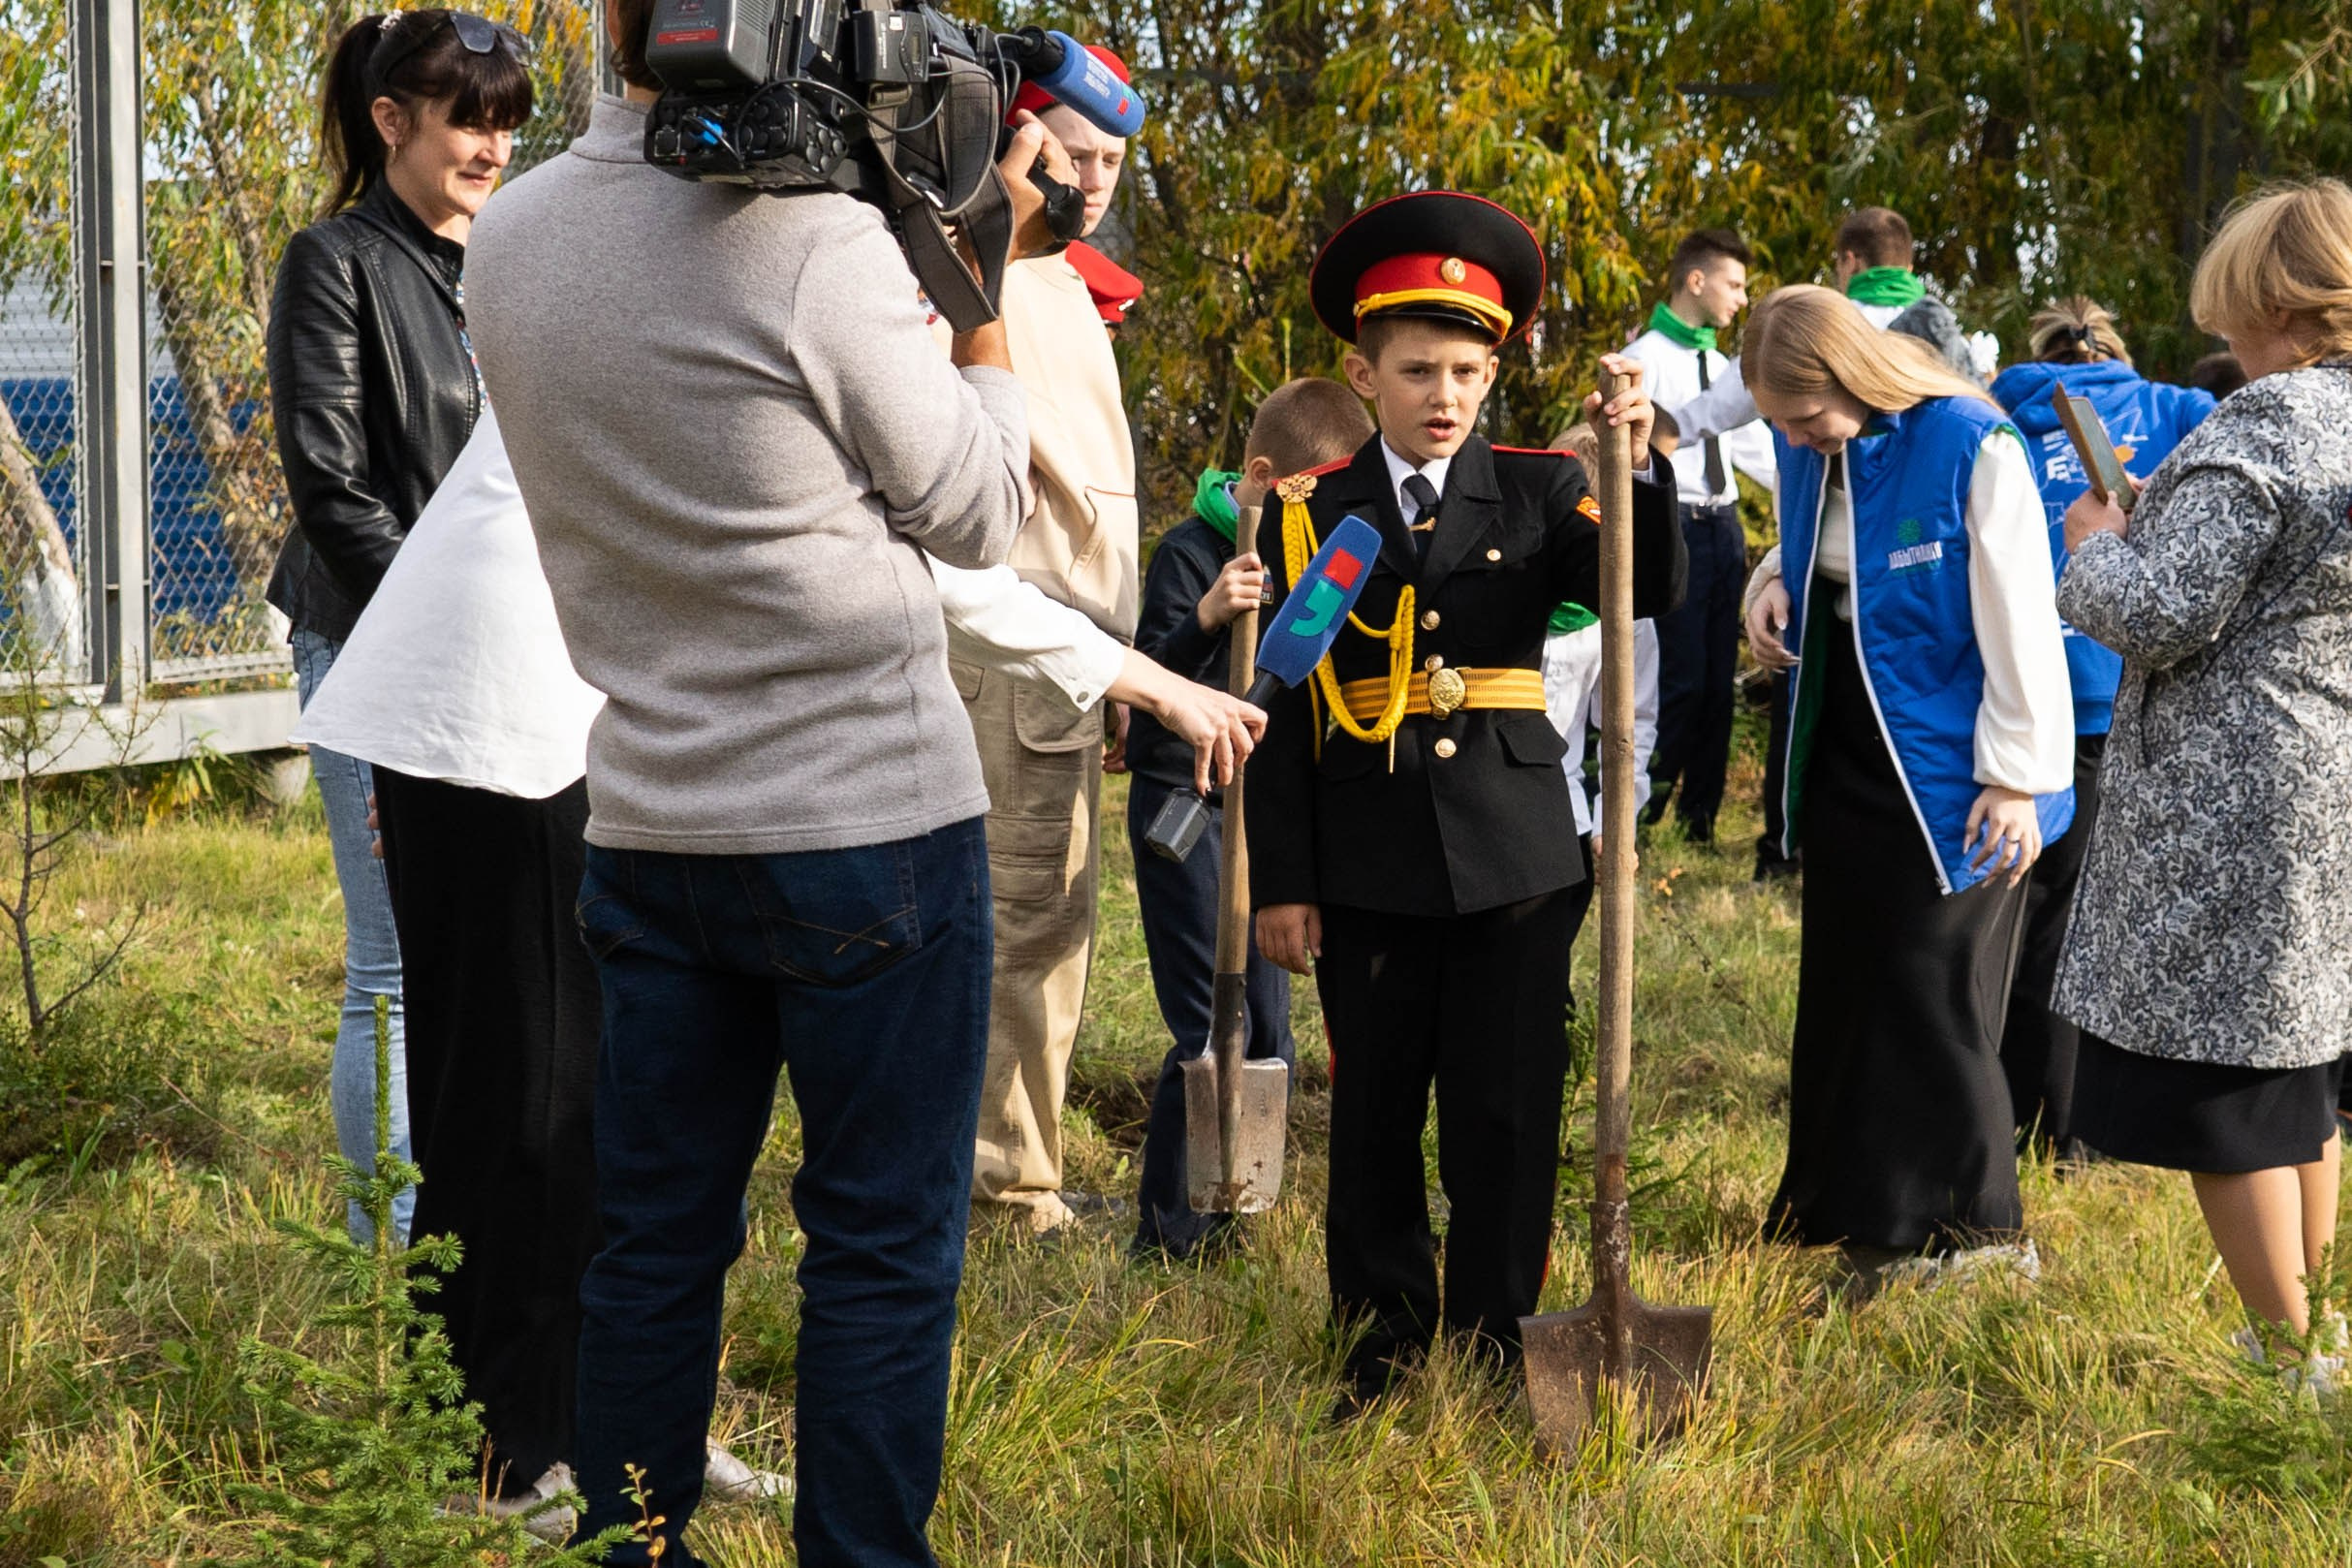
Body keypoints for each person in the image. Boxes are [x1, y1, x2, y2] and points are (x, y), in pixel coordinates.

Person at [456, 7, 1227, 1559]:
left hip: (651, 819)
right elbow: (978, 504)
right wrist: (980, 278)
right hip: (867, 829)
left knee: (655, 1245)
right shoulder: (810, 250)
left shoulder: (513, 237)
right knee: (877, 1250)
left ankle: (633, 1545)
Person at [1245, 191, 1686, 1419]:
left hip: (1516, 860)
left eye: (1467, 371)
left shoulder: (1548, 491)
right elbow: (1282, 699)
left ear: (1495, 374)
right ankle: (1379, 1351)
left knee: (1503, 1114)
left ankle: (1501, 1346)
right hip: (1367, 859)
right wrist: (1280, 879)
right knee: (1379, 1114)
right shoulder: (1309, 512)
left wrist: (1635, 458)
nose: (1444, 395)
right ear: (1362, 372)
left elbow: (1647, 583)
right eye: (1417, 370)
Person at [2053, 179, 2352, 1379]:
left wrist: (2090, 552)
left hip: (2231, 794)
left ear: (2274, 298)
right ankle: (2315, 1326)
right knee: (2298, 1073)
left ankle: (2288, 1365)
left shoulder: (2264, 426)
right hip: (2326, 771)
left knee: (2226, 1093)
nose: (2219, 326)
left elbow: (2170, 612)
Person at [1740, 285, 2074, 1285]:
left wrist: (2014, 779)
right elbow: (1830, 543)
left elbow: (2022, 614)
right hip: (1846, 739)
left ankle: (1977, 1233)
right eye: (1781, 426)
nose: (1798, 441)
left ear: (1855, 374)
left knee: (1935, 989)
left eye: (1805, 417)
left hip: (1960, 764)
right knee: (1849, 979)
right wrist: (1769, 573)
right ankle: (1849, 1207)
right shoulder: (1819, 446)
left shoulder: (1977, 443)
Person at [264, 8, 530, 1242]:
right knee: (397, 965)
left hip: (518, 655)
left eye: (509, 121)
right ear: (391, 121)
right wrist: (440, 622)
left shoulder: (511, 262)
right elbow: (330, 488)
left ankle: (477, 1226)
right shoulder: (338, 261)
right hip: (375, 642)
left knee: (497, 952)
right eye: (468, 118)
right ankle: (397, 1262)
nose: (492, 146)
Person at [964, 46, 1147, 1237]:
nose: (1092, 178)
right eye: (1070, 152)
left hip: (1071, 651)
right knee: (1021, 914)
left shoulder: (1062, 277)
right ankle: (1005, 1185)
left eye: (1111, 158)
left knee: (1057, 919)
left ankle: (1013, 1164)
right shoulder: (987, 267)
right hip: (1008, 645)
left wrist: (1123, 654)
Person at [1125, 377, 1372, 1260]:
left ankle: (1228, 1212)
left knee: (1267, 1030)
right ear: (1265, 479)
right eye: (1313, 494)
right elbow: (1145, 678)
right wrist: (1206, 616)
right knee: (1206, 1023)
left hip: (1260, 816)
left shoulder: (1318, 563)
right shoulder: (1191, 552)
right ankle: (1167, 1233)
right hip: (1185, 811)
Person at [1988, 299, 2214, 1161]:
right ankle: (2070, 1120)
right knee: (2101, 913)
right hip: (2136, 684)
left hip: (2022, 692)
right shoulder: (2178, 410)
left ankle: (2016, 1102)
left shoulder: (1998, 411)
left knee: (2021, 907)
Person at [1624, 229, 1774, 845]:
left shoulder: (1727, 364)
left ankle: (1699, 821)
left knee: (1719, 680)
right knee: (1679, 678)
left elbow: (1750, 448)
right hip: (1675, 522)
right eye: (1733, 285)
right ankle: (1642, 809)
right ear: (1696, 280)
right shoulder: (1645, 358)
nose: (1741, 299)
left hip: (1725, 526)